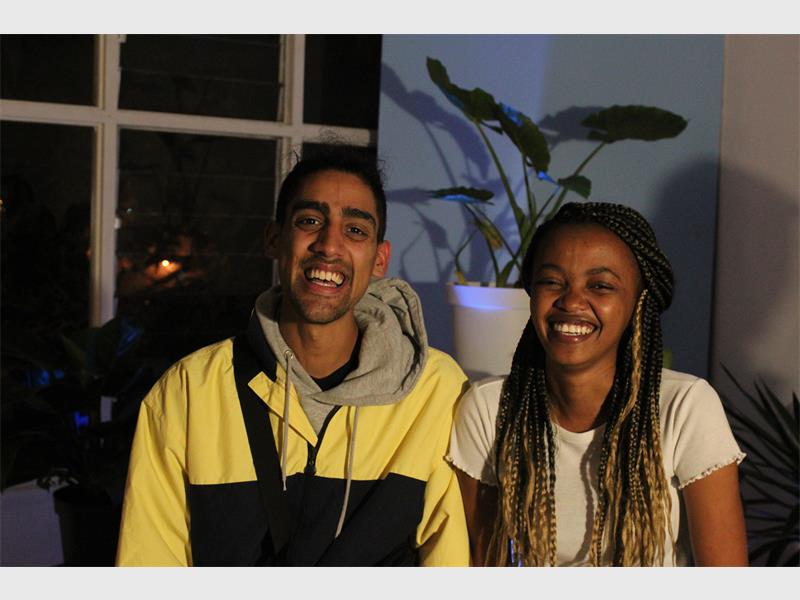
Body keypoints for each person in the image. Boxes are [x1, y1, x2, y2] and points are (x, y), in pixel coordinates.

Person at [116, 148, 470, 566]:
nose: (329, 245)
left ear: (379, 259)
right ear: (274, 239)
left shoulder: (434, 391)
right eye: (309, 221)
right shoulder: (188, 392)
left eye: (355, 229)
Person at [447, 201, 748, 567]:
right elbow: (484, 565)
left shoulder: (685, 407)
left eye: (601, 285)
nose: (572, 300)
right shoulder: (488, 409)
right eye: (552, 282)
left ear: (638, 302)